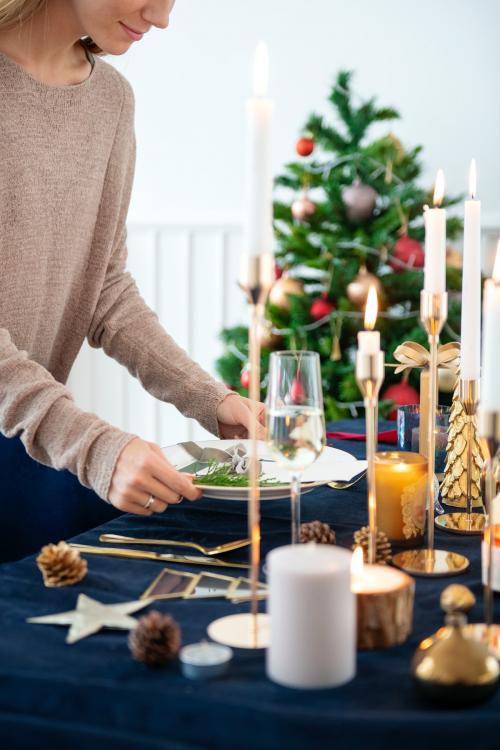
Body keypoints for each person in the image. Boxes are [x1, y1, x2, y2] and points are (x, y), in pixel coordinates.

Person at [0, 0, 265, 562]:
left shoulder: (111, 101)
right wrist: (95, 447)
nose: (162, 17)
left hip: (23, 443)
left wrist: (209, 398)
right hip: (35, 433)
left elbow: (106, 290)